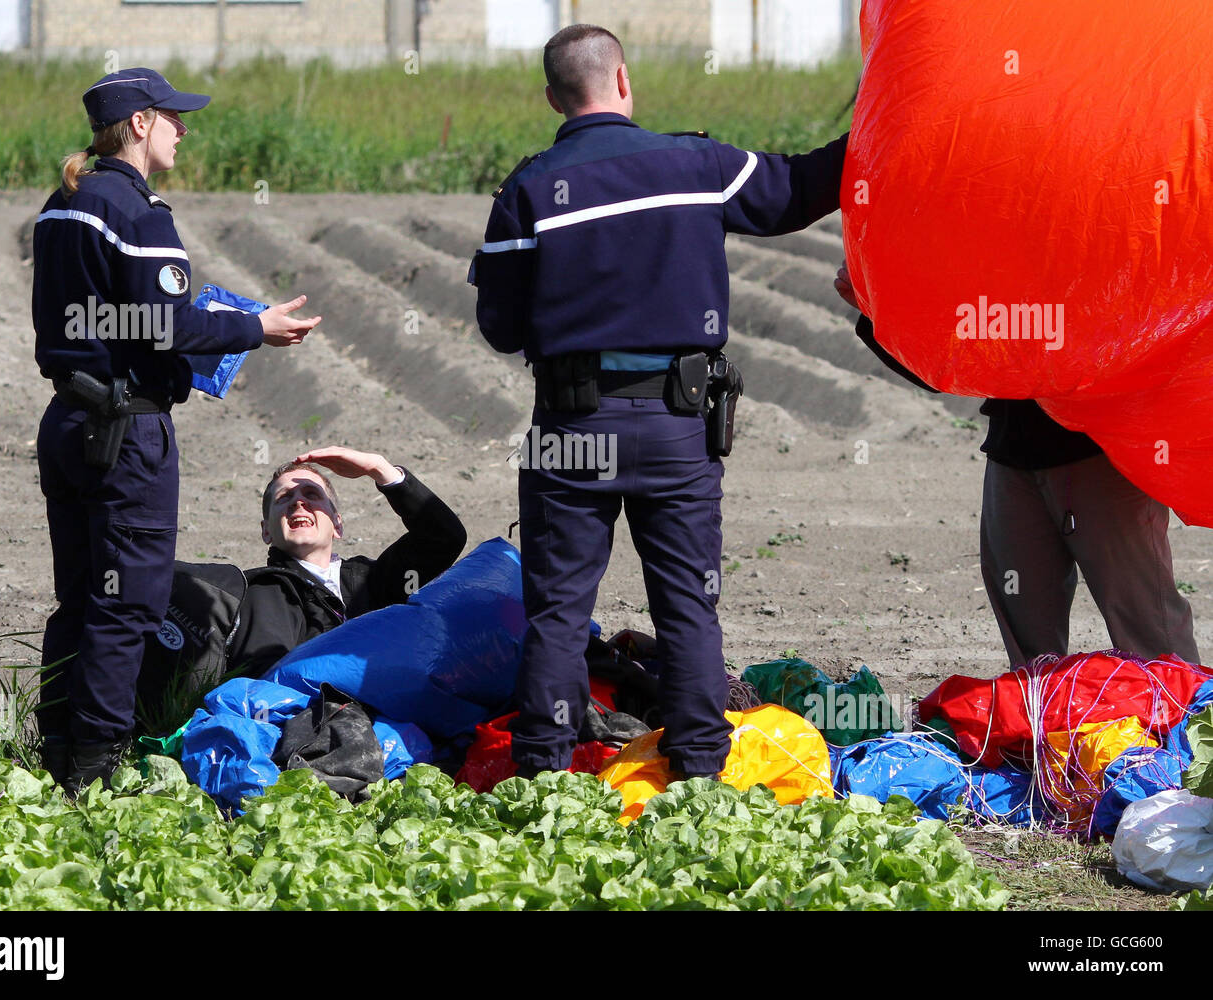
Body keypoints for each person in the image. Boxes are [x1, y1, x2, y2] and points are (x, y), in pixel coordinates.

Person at [470, 24, 847, 780]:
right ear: (624, 81)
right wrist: (878, 123)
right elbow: (801, 190)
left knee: (558, 609)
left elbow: (501, 329)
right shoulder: (695, 163)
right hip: (677, 425)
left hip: (571, 431)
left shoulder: (529, 188)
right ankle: (701, 775)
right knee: (686, 604)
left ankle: (543, 781)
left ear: (552, 98)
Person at [32, 68, 321, 792]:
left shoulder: (62, 204)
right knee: (126, 604)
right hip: (125, 434)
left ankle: (58, 750)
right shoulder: (136, 212)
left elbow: (98, 321)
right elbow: (166, 324)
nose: (182, 130)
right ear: (137, 125)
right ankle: (96, 773)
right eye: (172, 117)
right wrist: (254, 326)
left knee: (80, 597)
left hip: (68, 418)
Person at [833, 265, 1200, 667]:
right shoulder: (997, 255)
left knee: (1148, 623)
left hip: (1102, 456)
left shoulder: (1107, 247)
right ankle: (1038, 723)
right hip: (1013, 456)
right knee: (1028, 641)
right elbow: (945, 365)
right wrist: (877, 316)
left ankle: (1180, 720)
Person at [226, 447, 468, 676]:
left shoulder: (369, 580)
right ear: (266, 530)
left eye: (312, 494)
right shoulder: (262, 590)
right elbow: (267, 678)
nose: (298, 503)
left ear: (337, 524)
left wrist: (380, 468)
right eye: (284, 497)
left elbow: (444, 537)